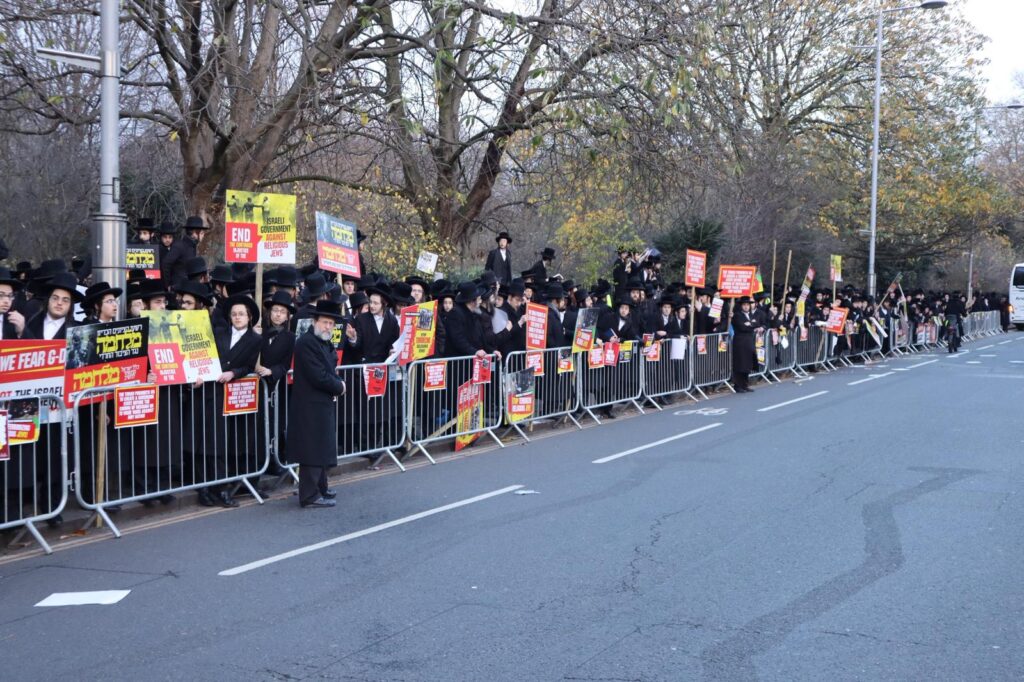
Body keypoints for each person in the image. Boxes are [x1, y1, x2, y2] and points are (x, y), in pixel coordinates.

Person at [289, 300, 347, 508]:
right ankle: (309, 495)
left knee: (321, 446)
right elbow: (318, 376)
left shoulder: (323, 341)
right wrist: (339, 386)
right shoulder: (306, 343)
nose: (328, 327)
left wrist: (336, 382)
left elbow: (330, 367)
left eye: (331, 323)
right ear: (315, 321)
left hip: (322, 401)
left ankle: (321, 487)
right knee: (312, 449)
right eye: (324, 322)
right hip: (309, 403)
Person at [731, 296, 761, 392]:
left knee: (747, 364)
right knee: (740, 364)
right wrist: (750, 325)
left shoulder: (751, 315)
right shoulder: (737, 315)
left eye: (748, 305)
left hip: (749, 342)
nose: (746, 307)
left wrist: (750, 324)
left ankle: (745, 384)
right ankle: (738, 386)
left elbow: (756, 323)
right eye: (744, 305)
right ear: (741, 306)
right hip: (740, 343)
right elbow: (742, 327)